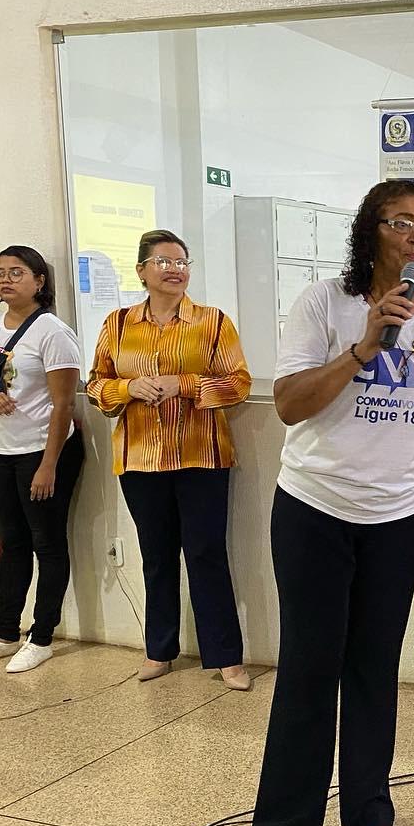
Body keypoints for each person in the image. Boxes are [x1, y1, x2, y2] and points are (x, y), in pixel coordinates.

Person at [252, 179, 414, 826]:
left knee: (376, 671)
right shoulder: (324, 302)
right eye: (403, 223)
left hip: (399, 518)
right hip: (314, 511)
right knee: (310, 674)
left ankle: (369, 811)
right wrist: (363, 346)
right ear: (371, 230)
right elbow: (288, 405)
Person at [85, 230, 251, 689]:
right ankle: (159, 650)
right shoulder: (117, 324)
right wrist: (127, 388)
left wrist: (187, 384)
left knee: (206, 555)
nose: (175, 269)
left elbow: (239, 383)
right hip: (140, 460)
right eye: (163, 261)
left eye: (182, 261)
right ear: (141, 271)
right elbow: (96, 386)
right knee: (157, 557)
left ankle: (226, 657)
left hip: (202, 455)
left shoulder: (213, 322)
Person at [0, 246, 84, 674]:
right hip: (0, 449)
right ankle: (4, 632)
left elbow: (64, 403)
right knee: (12, 542)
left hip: (44, 450)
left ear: (39, 281)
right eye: (0, 273)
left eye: (17, 272)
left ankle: (43, 635)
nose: (6, 280)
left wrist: (49, 464)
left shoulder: (53, 332)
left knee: (47, 542)